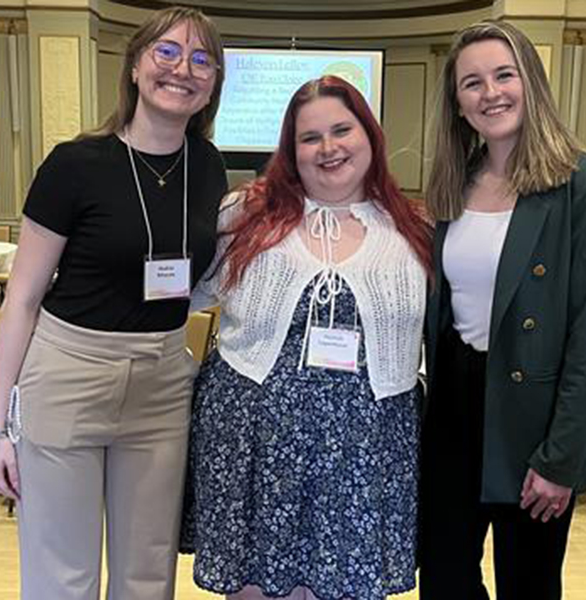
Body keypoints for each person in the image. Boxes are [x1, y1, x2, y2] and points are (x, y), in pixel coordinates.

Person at [0, 7, 227, 599]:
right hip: (69, 371)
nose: (182, 70)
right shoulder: (76, 164)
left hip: (164, 377)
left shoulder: (210, 167)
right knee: (61, 571)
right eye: (167, 53)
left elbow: (196, 282)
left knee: (148, 570)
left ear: (213, 81)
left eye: (201, 60)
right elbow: (21, 299)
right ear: (137, 66)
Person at [180, 76, 433, 600]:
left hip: (365, 447)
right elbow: (182, 296)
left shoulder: (413, 230)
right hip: (254, 441)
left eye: (342, 129)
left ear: (370, 134)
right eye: (310, 137)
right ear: (291, 151)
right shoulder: (244, 215)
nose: (329, 148)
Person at [421, 20, 586, 600]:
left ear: (531, 81)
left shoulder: (584, 184)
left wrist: (561, 459)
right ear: (457, 104)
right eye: (472, 83)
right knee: (444, 577)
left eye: (504, 75)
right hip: (455, 408)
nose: (492, 93)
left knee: (528, 585)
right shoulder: (452, 184)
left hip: (534, 416)